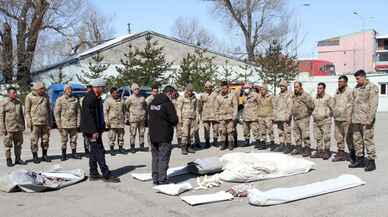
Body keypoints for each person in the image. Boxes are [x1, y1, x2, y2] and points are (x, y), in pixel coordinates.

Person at [80, 78, 120, 182]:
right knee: (99, 151)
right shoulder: (90, 99)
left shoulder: (96, 97)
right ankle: (106, 174)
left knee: (94, 151)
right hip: (92, 131)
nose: (103, 89)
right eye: (102, 87)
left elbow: (97, 115)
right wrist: (94, 131)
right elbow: (89, 117)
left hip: (95, 130)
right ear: (97, 87)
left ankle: (93, 173)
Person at [349, 70, 379, 172]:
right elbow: (353, 103)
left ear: (363, 77)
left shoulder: (372, 87)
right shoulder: (356, 88)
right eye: (356, 79)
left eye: (358, 79)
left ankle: (371, 162)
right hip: (356, 119)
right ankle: (360, 160)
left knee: (368, 140)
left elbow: (373, 104)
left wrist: (370, 119)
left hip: (366, 120)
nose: (357, 81)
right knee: (357, 140)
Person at [148, 85, 178, 185]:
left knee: (155, 157)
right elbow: (174, 120)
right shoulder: (168, 104)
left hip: (152, 135)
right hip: (164, 135)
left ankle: (155, 178)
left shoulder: (152, 103)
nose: (173, 96)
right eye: (173, 94)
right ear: (169, 93)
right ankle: (162, 179)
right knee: (163, 157)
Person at [25, 82, 51, 163]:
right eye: (42, 89)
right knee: (34, 140)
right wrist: (29, 122)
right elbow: (27, 111)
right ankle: (35, 156)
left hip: (45, 122)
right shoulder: (29, 96)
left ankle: (44, 155)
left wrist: (50, 122)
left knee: (45, 139)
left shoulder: (46, 96)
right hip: (35, 122)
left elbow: (49, 110)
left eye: (44, 89)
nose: (43, 90)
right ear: (37, 89)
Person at [0, 87, 26, 166]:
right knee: (8, 145)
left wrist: (23, 125)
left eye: (15, 92)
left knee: (18, 145)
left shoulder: (18, 102)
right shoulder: (4, 103)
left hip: (18, 127)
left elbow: (21, 115)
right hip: (9, 128)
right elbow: (1, 116)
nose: (15, 94)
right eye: (13, 93)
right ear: (8, 94)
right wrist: (2, 128)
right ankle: (9, 159)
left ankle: (18, 159)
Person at [55, 84, 82, 161]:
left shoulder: (75, 100)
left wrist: (78, 123)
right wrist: (58, 124)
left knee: (74, 139)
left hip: (73, 123)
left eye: (70, 89)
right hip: (64, 124)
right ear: (64, 91)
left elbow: (78, 112)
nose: (69, 91)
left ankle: (74, 153)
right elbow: (57, 113)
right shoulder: (60, 100)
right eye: (68, 89)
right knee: (64, 140)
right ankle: (63, 155)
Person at [332, 75, 354, 162]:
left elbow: (352, 105)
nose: (339, 83)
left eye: (341, 82)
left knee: (349, 138)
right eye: (338, 82)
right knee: (338, 137)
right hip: (337, 119)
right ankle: (341, 153)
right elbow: (334, 102)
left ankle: (353, 155)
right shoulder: (337, 91)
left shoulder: (350, 92)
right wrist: (334, 111)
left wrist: (350, 118)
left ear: (346, 82)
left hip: (346, 119)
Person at [290, 81, 315, 157]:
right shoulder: (294, 95)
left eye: (297, 87)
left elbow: (312, 106)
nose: (295, 88)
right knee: (296, 135)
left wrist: (307, 114)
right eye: (294, 87)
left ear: (301, 87)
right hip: (296, 118)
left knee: (305, 135)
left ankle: (307, 149)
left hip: (303, 119)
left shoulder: (306, 95)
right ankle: (298, 148)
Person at [310, 83, 333, 160]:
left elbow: (332, 108)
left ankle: (327, 151)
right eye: (318, 88)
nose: (318, 90)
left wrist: (327, 115)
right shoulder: (315, 98)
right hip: (316, 121)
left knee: (326, 137)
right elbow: (312, 107)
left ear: (324, 89)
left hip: (325, 121)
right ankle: (319, 151)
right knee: (318, 137)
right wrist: (313, 114)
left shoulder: (328, 97)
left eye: (320, 88)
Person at [215, 81, 238, 150]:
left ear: (228, 88)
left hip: (230, 117)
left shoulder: (232, 95)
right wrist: (216, 117)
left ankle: (231, 144)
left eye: (225, 88)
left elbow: (235, 105)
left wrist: (235, 115)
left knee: (230, 131)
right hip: (221, 117)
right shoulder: (218, 97)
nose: (223, 89)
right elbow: (216, 108)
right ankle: (223, 144)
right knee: (222, 131)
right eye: (222, 88)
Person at [176, 83, 198, 155]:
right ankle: (183, 147)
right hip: (185, 118)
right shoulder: (181, 98)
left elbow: (196, 108)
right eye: (189, 90)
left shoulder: (194, 98)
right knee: (185, 133)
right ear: (186, 90)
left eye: (191, 91)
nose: (190, 92)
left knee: (191, 133)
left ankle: (189, 146)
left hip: (192, 118)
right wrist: (179, 119)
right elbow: (178, 109)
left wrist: (197, 118)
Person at [126, 83, 147, 153]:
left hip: (142, 118)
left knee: (142, 133)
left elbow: (145, 106)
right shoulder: (130, 98)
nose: (137, 90)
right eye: (135, 89)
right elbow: (125, 107)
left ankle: (142, 146)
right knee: (133, 133)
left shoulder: (142, 98)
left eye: (138, 89)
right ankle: (132, 146)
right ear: (132, 90)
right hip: (133, 119)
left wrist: (144, 114)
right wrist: (127, 116)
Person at [104, 87, 126, 155]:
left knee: (121, 136)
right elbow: (105, 112)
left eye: (117, 93)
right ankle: (112, 149)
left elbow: (124, 110)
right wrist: (106, 121)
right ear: (111, 93)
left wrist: (125, 118)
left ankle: (120, 148)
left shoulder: (122, 100)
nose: (116, 94)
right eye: (115, 93)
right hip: (112, 122)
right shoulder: (108, 101)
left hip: (120, 121)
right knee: (112, 136)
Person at [272, 80, 292, 153]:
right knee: (280, 132)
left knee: (287, 132)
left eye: (283, 86)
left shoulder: (289, 95)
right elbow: (275, 106)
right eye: (280, 86)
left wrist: (288, 115)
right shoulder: (278, 96)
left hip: (285, 117)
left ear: (286, 86)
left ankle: (288, 146)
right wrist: (274, 116)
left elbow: (290, 106)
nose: (281, 87)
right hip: (278, 117)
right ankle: (281, 145)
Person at [199, 81, 219, 148]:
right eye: (206, 87)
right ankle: (207, 142)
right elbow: (200, 105)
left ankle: (215, 141)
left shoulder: (215, 94)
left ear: (212, 87)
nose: (208, 88)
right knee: (206, 130)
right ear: (205, 88)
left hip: (214, 115)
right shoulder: (202, 95)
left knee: (215, 129)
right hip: (206, 115)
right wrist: (200, 114)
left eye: (209, 87)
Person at [257, 84, 275, 150]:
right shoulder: (259, 97)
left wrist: (273, 116)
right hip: (261, 117)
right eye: (261, 89)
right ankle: (263, 144)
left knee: (270, 131)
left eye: (263, 89)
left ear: (266, 90)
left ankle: (272, 144)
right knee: (262, 131)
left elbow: (274, 107)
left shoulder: (270, 97)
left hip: (268, 116)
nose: (262, 91)